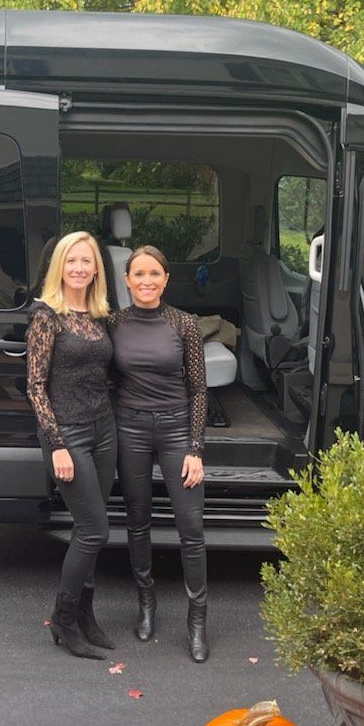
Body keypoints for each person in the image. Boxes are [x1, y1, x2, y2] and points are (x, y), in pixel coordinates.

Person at [109, 246, 209, 661]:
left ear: (166, 279)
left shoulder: (184, 323)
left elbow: (200, 390)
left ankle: (197, 621)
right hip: (129, 427)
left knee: (191, 529)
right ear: (127, 280)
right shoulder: (113, 323)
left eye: (155, 273)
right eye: (138, 274)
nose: (146, 281)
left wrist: (195, 448)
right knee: (137, 521)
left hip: (175, 428)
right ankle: (146, 603)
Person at [26, 231, 117, 660]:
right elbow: (35, 387)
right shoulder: (48, 317)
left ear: (96, 268)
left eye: (87, 260)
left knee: (89, 531)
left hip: (104, 430)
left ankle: (85, 616)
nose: (79, 268)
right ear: (59, 267)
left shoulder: (99, 315)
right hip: (69, 434)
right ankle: (63, 619)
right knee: (96, 529)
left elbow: (104, 374)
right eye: (71, 260)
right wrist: (57, 444)